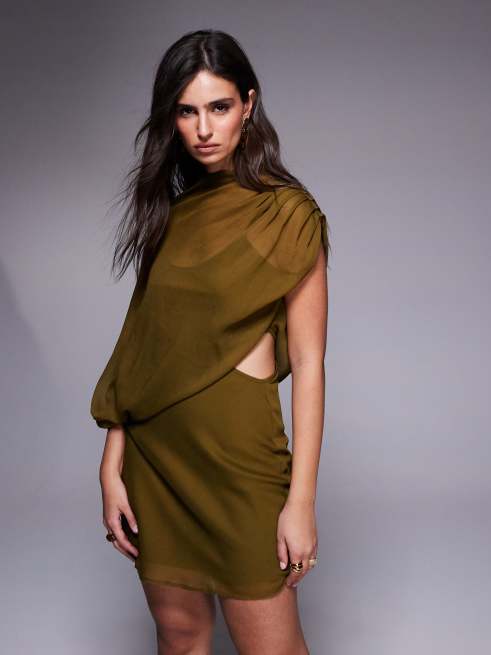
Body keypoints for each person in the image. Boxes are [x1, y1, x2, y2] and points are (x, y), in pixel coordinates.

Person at [91, 29, 331, 655]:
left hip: (239, 462)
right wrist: (112, 462)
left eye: (219, 107)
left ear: (248, 104)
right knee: (180, 637)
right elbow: (140, 346)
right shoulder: (171, 216)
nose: (203, 129)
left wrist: (301, 501)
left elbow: (309, 364)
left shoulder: (289, 214)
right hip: (158, 460)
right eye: (187, 111)